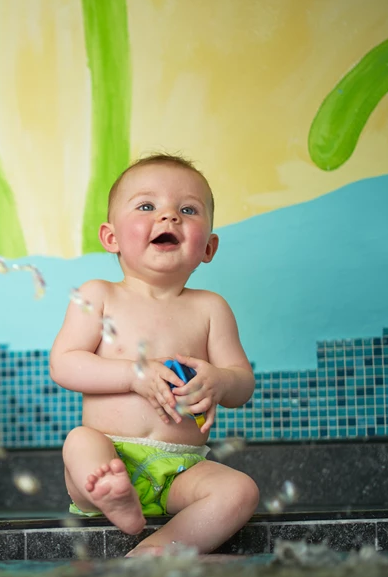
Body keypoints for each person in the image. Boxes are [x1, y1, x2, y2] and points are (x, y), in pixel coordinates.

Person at [48, 154, 259, 555]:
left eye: (188, 210)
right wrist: (133, 374)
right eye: (147, 206)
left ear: (209, 247)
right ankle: (111, 494)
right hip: (109, 454)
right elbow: (64, 363)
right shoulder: (99, 296)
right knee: (79, 441)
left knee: (240, 491)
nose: (169, 217)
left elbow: (242, 383)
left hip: (183, 467)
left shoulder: (210, 308)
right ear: (111, 237)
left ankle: (155, 552)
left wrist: (221, 380)